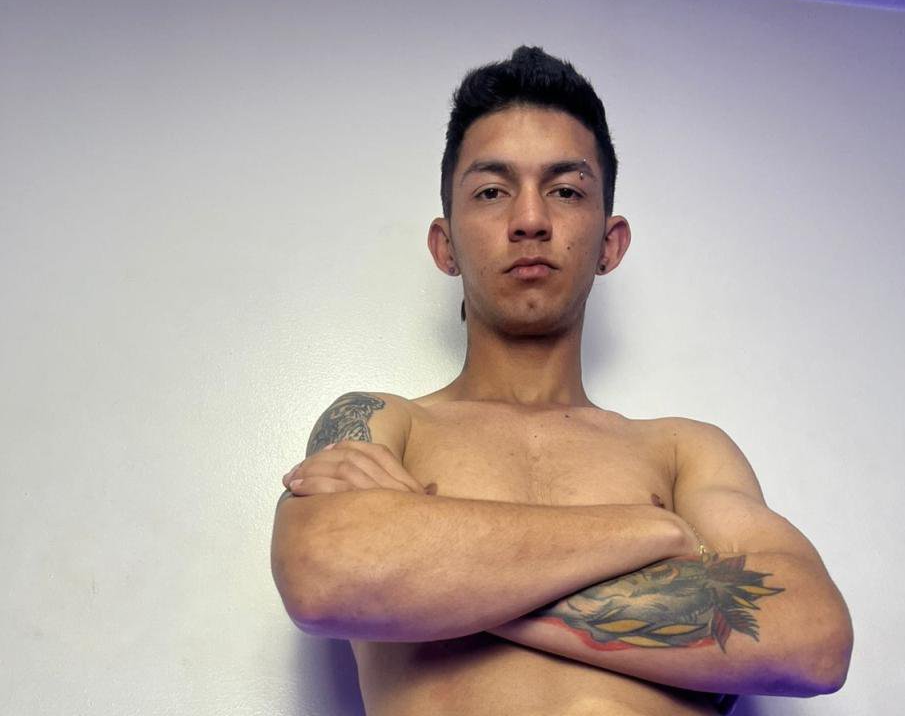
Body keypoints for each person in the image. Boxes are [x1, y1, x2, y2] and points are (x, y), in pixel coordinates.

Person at [270, 46, 853, 716]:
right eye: (492, 192)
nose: (529, 219)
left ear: (610, 243)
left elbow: (813, 639)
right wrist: (652, 534)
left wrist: (430, 567)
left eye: (566, 191)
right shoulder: (384, 421)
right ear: (445, 244)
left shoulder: (683, 450)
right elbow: (324, 571)